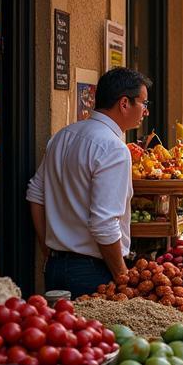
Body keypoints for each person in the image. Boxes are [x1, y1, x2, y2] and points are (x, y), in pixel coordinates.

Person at [27, 67, 150, 297]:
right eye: (144, 103)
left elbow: (35, 194)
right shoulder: (114, 148)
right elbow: (104, 224)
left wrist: (48, 247)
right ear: (124, 103)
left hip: (54, 267)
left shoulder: (63, 136)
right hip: (93, 271)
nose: (146, 112)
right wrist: (122, 276)